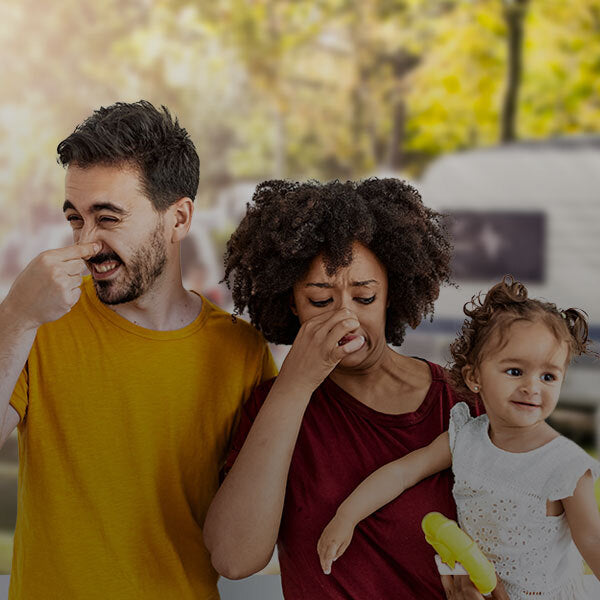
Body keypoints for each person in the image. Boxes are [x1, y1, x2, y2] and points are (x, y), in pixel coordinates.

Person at [0, 100, 276, 600]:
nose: (87, 243)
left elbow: (243, 547)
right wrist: (17, 316)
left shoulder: (242, 352)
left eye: (107, 218)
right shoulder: (39, 322)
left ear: (178, 219)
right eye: (76, 220)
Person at [203, 178, 508, 599]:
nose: (345, 318)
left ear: (390, 296)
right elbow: (234, 559)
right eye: (321, 301)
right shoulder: (273, 407)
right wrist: (295, 385)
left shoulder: (461, 402)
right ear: (292, 303)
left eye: (364, 297)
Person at [317, 276, 600, 599]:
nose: (532, 387)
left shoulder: (565, 467)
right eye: (514, 371)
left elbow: (592, 540)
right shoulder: (467, 439)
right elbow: (401, 473)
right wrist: (347, 516)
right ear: (474, 376)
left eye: (548, 376)